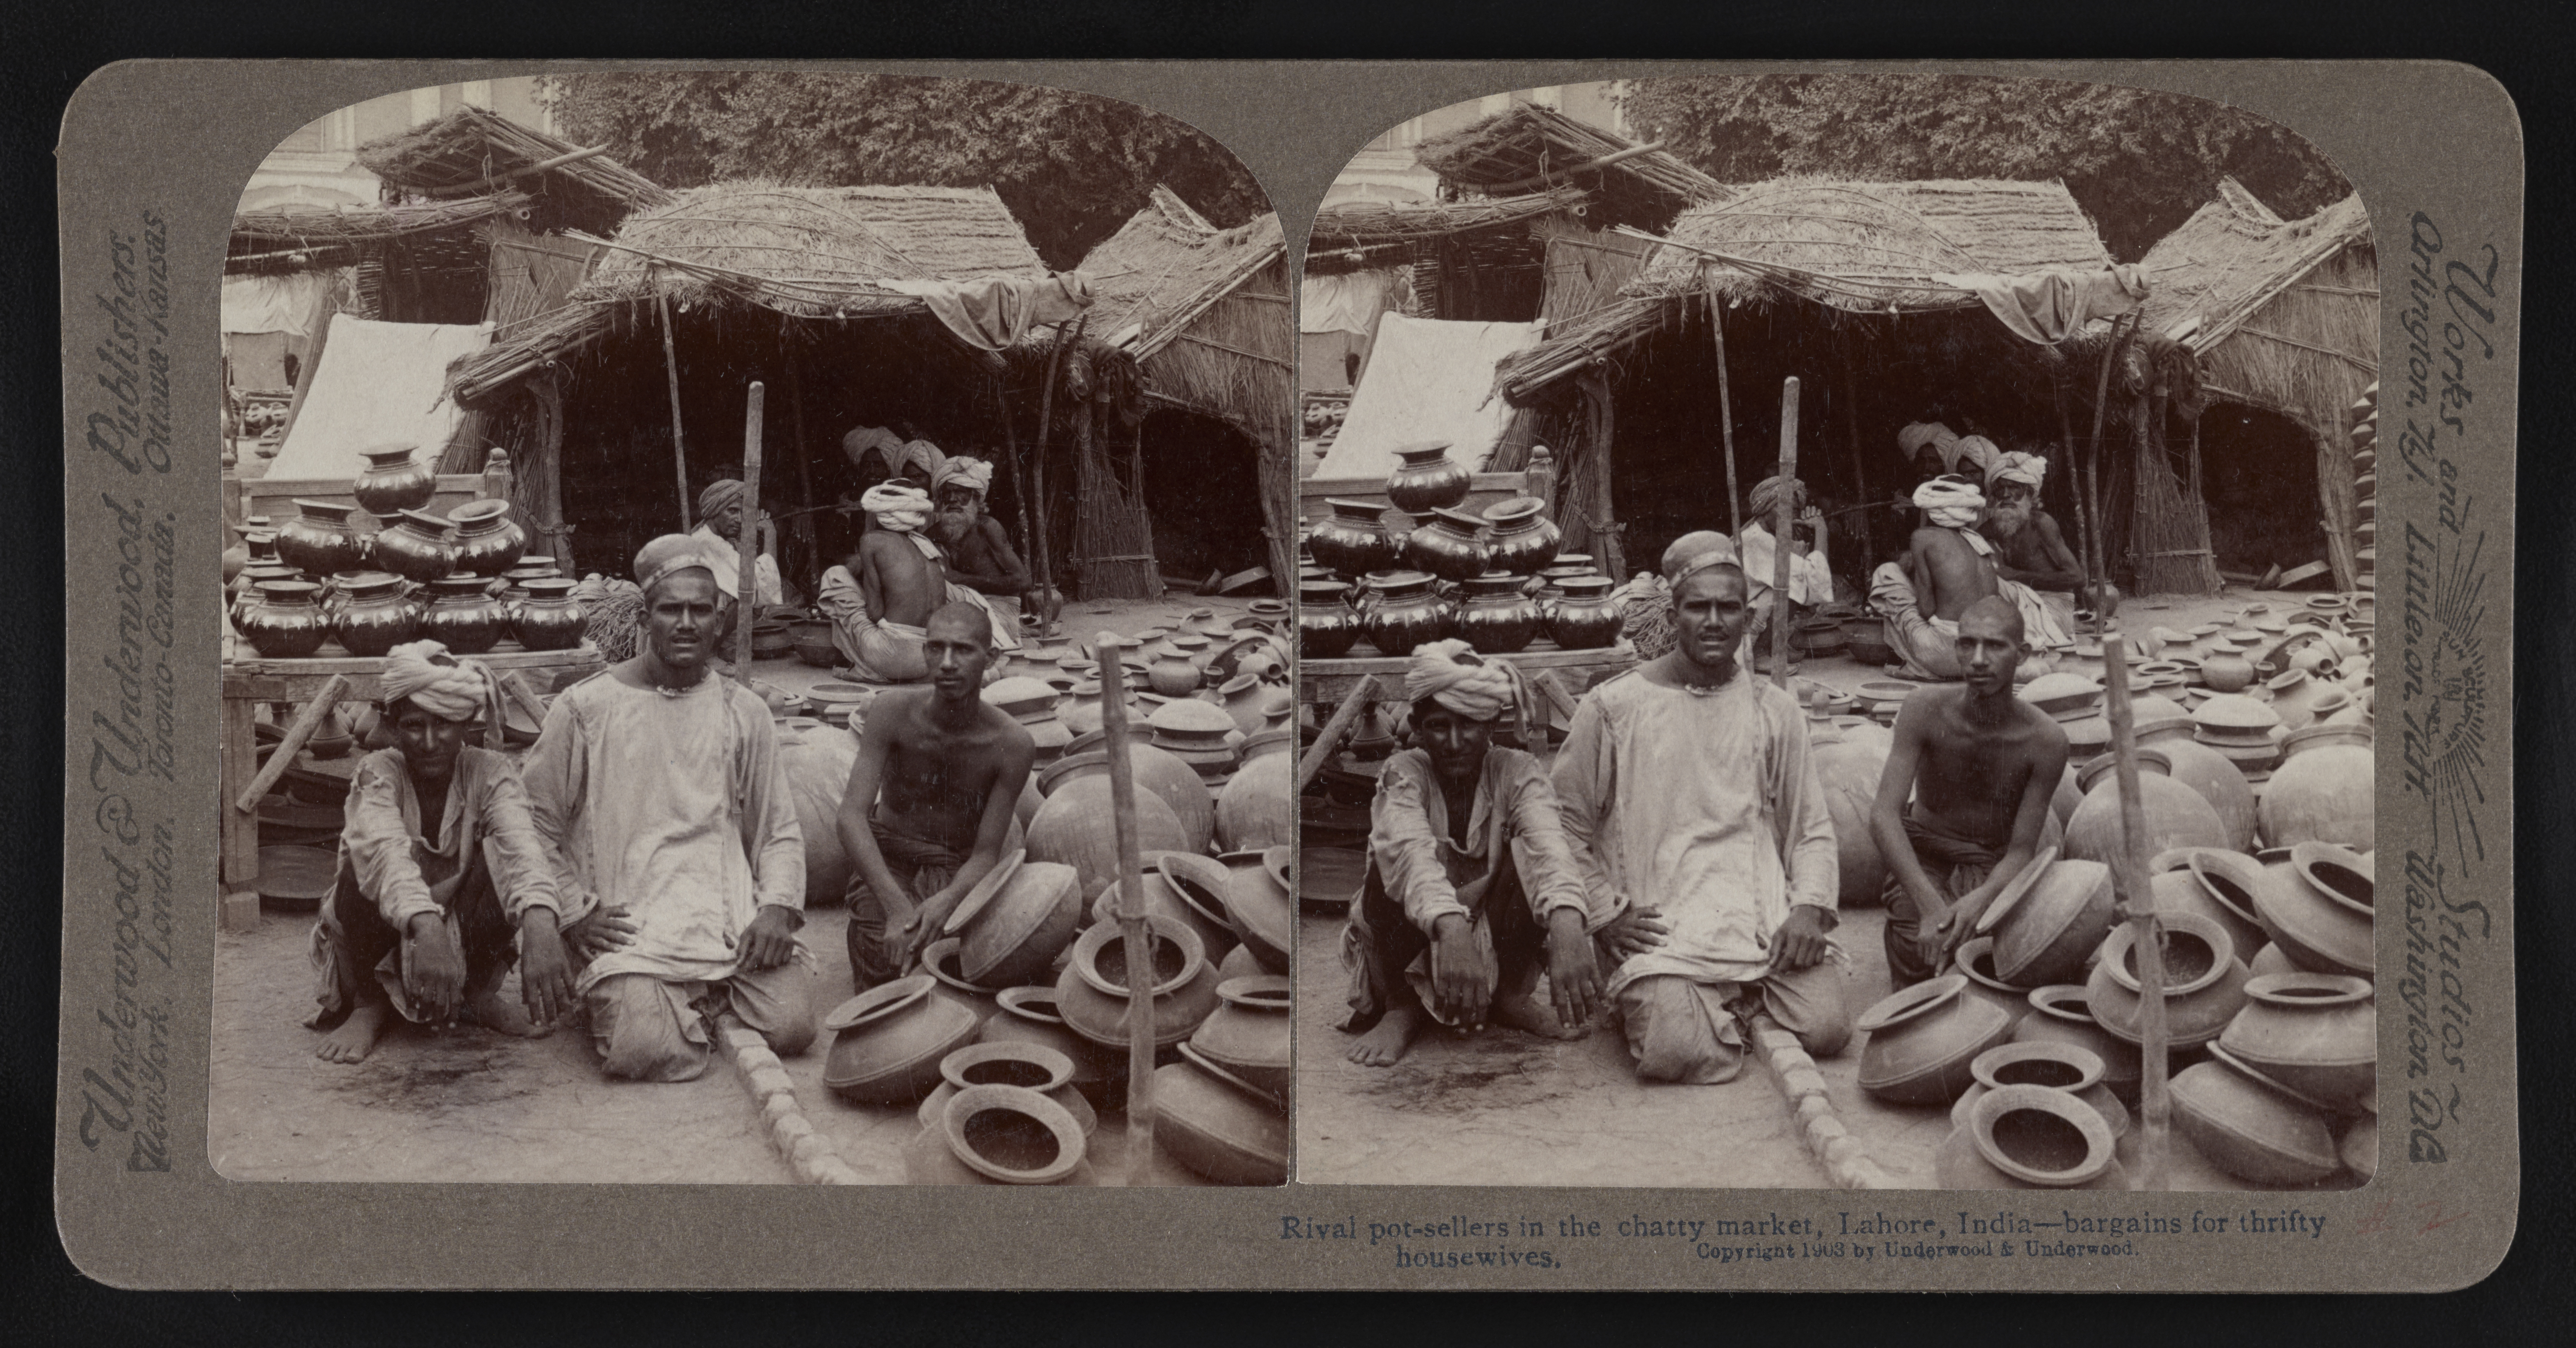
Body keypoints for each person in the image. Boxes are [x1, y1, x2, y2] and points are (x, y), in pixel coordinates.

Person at [520, 536, 814, 1082]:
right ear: (644, 616)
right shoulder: (585, 707)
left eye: (700, 610)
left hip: (725, 913)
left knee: (793, 1027)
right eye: (669, 609)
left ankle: (691, 992)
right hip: (628, 919)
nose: (686, 623)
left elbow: (778, 828)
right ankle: (657, 995)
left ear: (720, 620)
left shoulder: (743, 710)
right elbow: (533, 822)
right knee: (645, 1051)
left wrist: (776, 907)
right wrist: (572, 910)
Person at [1553, 547, 1851, 1085]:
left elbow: (1810, 826)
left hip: (1757, 912)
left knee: (1827, 1029)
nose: (1714, 622)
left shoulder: (1772, 708)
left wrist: (1808, 907)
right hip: (1656, 917)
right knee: (1676, 1053)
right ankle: (1702, 999)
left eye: (1728, 608)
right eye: (1697, 608)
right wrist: (1603, 911)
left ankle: (1725, 995)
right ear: (1672, 617)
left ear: (1748, 618)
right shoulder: (1611, 707)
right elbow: (1564, 825)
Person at [304, 642, 633, 1063]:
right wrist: (425, 924)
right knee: (360, 866)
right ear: (391, 725)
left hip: (457, 932)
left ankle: (475, 993)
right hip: (387, 930)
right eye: (413, 726)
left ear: (466, 725)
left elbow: (522, 846)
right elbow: (386, 853)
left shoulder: (488, 771)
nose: (428, 742)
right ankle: (371, 1005)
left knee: (504, 858)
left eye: (443, 725)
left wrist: (540, 920)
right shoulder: (379, 772)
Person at [1337, 641, 1661, 1066]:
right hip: (1415, 933)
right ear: (1415, 726)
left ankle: (1508, 995)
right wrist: (1449, 927)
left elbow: (1550, 845)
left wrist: (1567, 920)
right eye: (1438, 726)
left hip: (1487, 928)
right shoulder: (1403, 773)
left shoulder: (1515, 771)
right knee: (1387, 867)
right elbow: (1411, 855)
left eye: (1469, 724)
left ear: (1492, 723)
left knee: (1530, 853)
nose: (1454, 742)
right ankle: (1403, 1006)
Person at [1868, 596, 2069, 989]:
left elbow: (2020, 851)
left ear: (2022, 654)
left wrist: (1981, 899)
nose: (1979, 659)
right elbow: (1883, 816)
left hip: (1991, 862)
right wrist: (1930, 907)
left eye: (1995, 646)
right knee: (1918, 940)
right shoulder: (1922, 709)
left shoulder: (2045, 740)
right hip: (1924, 853)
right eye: (1967, 644)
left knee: (1981, 953)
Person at [833, 601, 1035, 991]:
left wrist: (949, 900)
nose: (946, 662)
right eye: (935, 648)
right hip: (888, 857)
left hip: (955, 865)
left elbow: (985, 854)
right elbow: (851, 818)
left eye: (962, 650)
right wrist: (896, 908)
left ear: (990, 657)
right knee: (888, 949)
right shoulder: (890, 711)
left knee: (948, 961)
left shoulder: (1012, 744)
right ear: (923, 651)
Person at [816, 482, 954, 683]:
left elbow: (875, 613)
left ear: (878, 513)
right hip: (930, 660)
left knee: (835, 575)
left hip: (891, 658)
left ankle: (866, 670)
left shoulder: (872, 540)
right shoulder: (927, 548)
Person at [1868, 475, 2002, 680]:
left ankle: (1914, 666)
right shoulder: (1980, 543)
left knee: (1887, 572)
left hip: (1947, 655)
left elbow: (1926, 609)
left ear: (1931, 508)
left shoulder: (1923, 537)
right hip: (1987, 656)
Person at [1980, 451, 2087, 634]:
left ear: (2029, 493)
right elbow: (1963, 542)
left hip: (2054, 602)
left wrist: (2015, 576)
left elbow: (2077, 578)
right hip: (2019, 600)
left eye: (2015, 487)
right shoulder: (1994, 526)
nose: (2006, 494)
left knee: (2014, 635)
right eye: (2001, 488)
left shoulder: (2041, 523)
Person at [1737, 476, 1835, 671]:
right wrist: (1821, 529)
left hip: (1751, 615)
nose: (1790, 516)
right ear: (1766, 508)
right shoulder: (1757, 540)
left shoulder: (1768, 535)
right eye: (1784, 508)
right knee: (1788, 586)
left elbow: (1804, 559)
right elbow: (1813, 577)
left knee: (1790, 581)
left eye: (1795, 510)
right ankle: (1760, 654)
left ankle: (1775, 648)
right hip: (1743, 626)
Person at [928, 457, 1030, 600]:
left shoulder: (987, 528)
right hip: (957, 608)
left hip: (998, 606)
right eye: (947, 493)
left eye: (960, 492)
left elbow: (1023, 582)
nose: (952, 499)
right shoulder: (933, 534)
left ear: (975, 497)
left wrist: (959, 579)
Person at [690, 478, 790, 611]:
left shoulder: (713, 538)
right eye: (732, 511)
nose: (739, 520)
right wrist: (770, 532)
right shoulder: (710, 543)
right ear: (714, 511)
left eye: (743, 513)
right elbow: (764, 589)